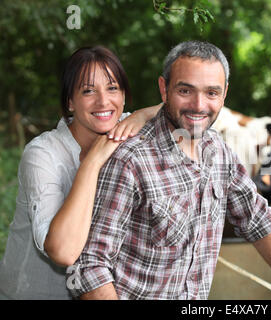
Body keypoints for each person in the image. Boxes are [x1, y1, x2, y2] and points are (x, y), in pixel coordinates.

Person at [69, 41, 271, 300]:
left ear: (224, 94)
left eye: (212, 93)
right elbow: (90, 266)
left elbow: (257, 218)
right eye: (185, 90)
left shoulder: (220, 152)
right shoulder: (130, 161)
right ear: (164, 89)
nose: (199, 105)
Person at [0, 46, 161, 299]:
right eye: (88, 91)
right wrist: (92, 162)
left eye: (112, 88)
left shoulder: (127, 127)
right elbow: (64, 252)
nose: (103, 101)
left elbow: (186, 108)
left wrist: (144, 114)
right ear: (70, 102)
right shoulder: (43, 154)